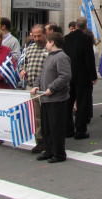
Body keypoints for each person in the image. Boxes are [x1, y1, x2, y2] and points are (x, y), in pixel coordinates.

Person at [31, 32, 72, 163]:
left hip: (57, 99)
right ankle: (48, 150)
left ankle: (59, 154)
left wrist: (52, 88)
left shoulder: (61, 57)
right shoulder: (49, 56)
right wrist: (36, 85)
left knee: (56, 128)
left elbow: (65, 76)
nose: (46, 44)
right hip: (45, 98)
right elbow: (42, 73)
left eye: (48, 41)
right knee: (46, 127)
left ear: (52, 42)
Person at [63, 17, 98, 139]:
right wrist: (93, 76)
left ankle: (68, 129)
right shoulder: (86, 39)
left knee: (68, 102)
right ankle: (80, 130)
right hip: (82, 76)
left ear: (76, 25)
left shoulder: (66, 38)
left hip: (68, 74)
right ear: (85, 26)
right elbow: (89, 58)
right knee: (82, 103)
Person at [19, 24, 48, 154]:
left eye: (39, 36)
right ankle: (39, 141)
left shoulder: (49, 48)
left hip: (45, 88)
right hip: (31, 87)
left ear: (45, 34)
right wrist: (23, 70)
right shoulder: (29, 48)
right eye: (34, 36)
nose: (36, 38)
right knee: (36, 117)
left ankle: (48, 140)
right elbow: (24, 63)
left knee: (46, 116)